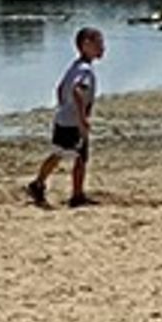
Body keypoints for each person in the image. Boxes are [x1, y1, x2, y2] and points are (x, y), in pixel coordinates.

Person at [23, 25, 102, 209]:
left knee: (62, 154)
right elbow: (77, 91)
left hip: (64, 118)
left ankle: (42, 184)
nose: (102, 47)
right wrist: (82, 118)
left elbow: (60, 88)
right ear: (85, 44)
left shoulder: (75, 66)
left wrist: (63, 106)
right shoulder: (85, 70)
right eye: (98, 43)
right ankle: (74, 194)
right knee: (77, 157)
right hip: (73, 121)